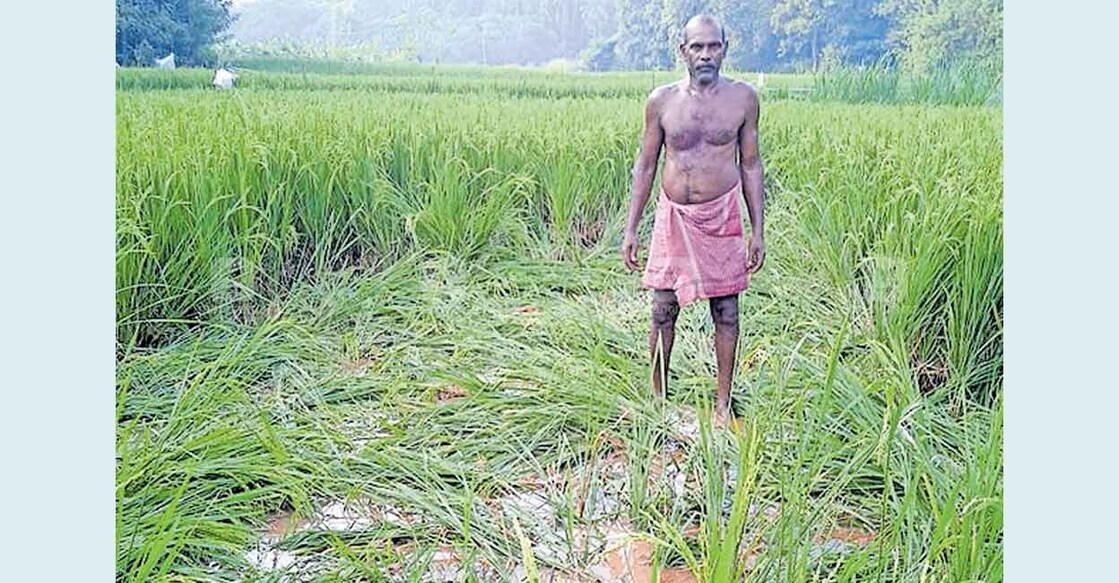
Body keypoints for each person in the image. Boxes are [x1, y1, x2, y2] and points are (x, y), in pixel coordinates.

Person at [620, 13, 766, 428]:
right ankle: (658, 397)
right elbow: (645, 165)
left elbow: (751, 164)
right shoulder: (661, 101)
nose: (706, 54)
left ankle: (723, 401)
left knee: (727, 311)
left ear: (725, 47)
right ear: (682, 51)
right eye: (697, 47)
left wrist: (758, 230)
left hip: (721, 214)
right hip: (673, 216)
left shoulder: (743, 99)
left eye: (713, 46)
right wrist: (631, 228)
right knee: (663, 309)